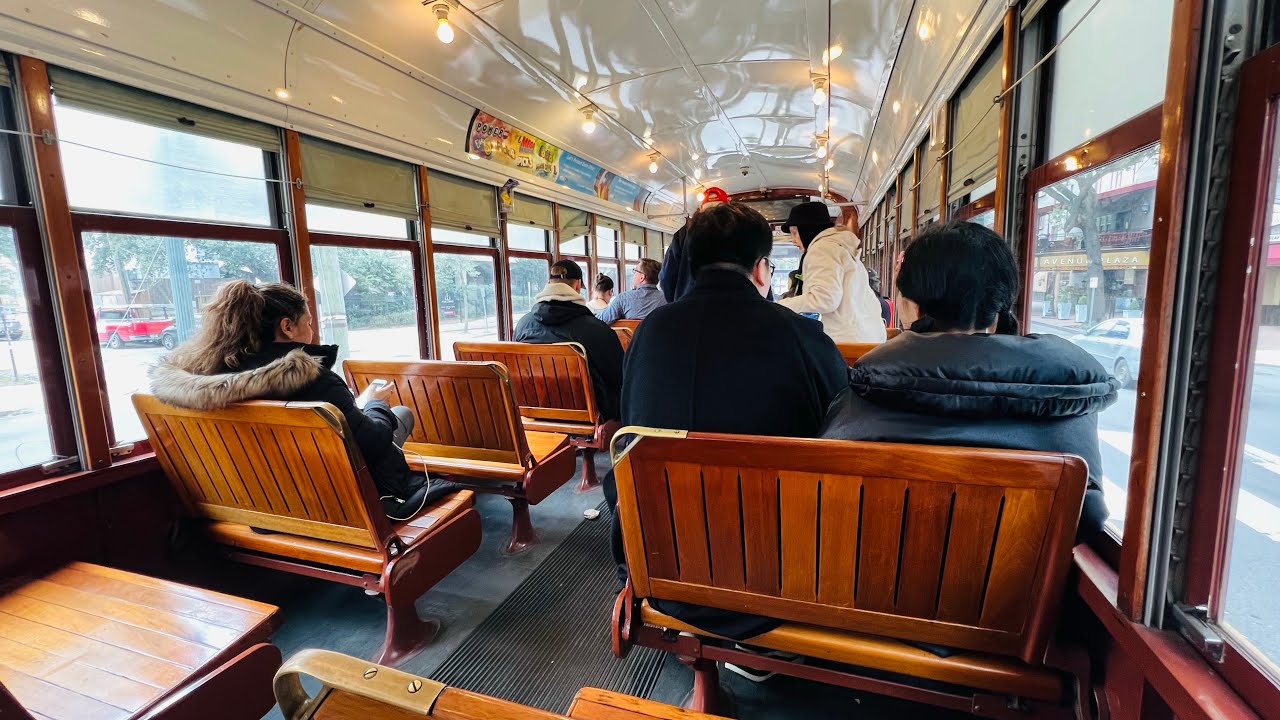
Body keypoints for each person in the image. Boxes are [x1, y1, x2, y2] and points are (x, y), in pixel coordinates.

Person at [609, 202, 848, 641]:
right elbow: (841, 433)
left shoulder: (649, 333)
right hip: (779, 579)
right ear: (761, 270)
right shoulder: (802, 337)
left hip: (662, 564)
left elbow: (630, 423)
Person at [821, 220, 1116, 541]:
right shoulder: (1068, 400)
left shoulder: (864, 390)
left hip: (867, 584)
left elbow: (824, 487)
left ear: (911, 305)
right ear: (1001, 307)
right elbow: (1088, 517)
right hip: (1013, 591)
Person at [148, 281, 432, 520]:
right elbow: (372, 444)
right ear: (287, 326)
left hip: (254, 505)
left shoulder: (210, 382)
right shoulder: (316, 380)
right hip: (334, 504)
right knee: (399, 413)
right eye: (307, 323)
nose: (312, 332)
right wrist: (376, 404)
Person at [513, 259, 624, 420]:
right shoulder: (597, 330)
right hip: (590, 413)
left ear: (549, 283)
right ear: (578, 285)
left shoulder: (523, 325)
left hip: (534, 410)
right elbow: (619, 376)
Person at [777, 201, 886, 343]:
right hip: (866, 335)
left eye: (794, 233)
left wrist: (781, 305)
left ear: (806, 229)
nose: (793, 240)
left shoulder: (822, 249)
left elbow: (825, 299)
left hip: (848, 340)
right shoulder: (839, 246)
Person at [658, 186, 728, 302]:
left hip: (688, 306)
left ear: (700, 209)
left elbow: (666, 276)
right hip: (732, 307)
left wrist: (677, 302)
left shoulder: (683, 235)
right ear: (728, 208)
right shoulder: (739, 233)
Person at [595, 258, 666, 323]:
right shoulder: (667, 299)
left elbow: (600, 320)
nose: (634, 274)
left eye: (635, 271)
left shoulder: (623, 299)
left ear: (642, 277)